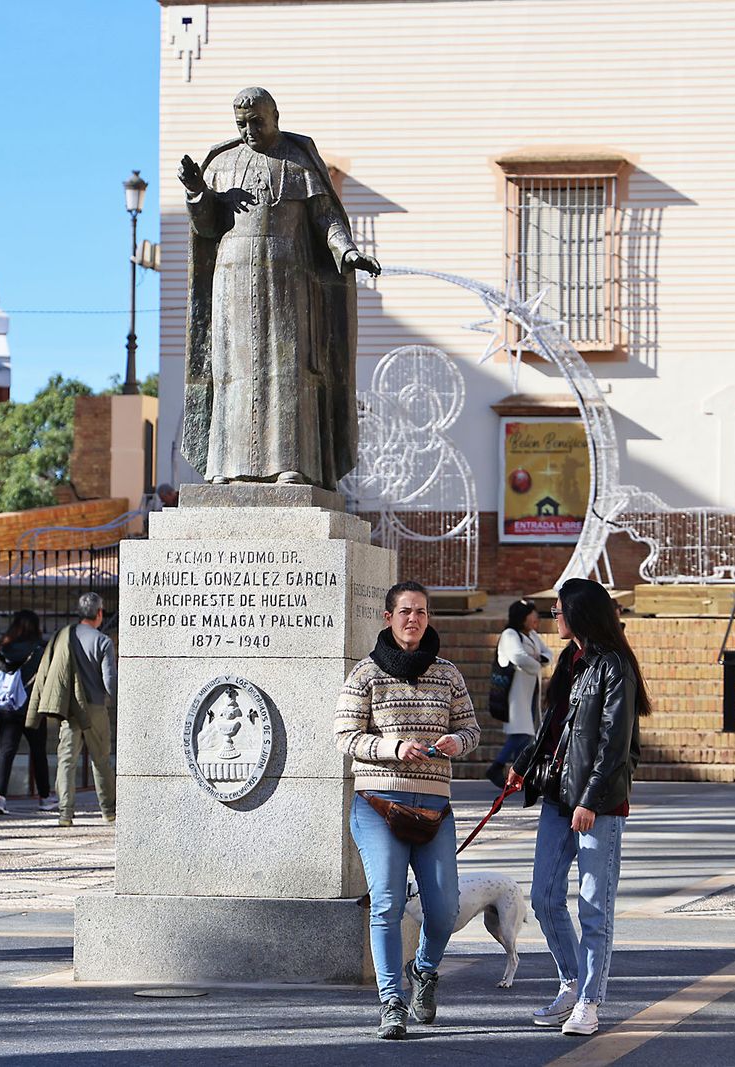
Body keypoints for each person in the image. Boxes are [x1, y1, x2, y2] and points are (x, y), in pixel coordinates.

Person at [178, 86, 381, 489]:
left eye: (257, 122)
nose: (249, 130)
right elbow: (206, 227)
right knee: (231, 372)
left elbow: (325, 217)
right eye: (242, 124)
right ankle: (226, 466)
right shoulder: (221, 162)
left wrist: (348, 251)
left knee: (288, 370)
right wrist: (197, 191)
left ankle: (292, 464)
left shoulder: (299, 161)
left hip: (289, 280)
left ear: (275, 117)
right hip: (231, 281)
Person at [335, 580, 480, 1040]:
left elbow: (471, 729)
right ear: (387, 617)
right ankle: (391, 1002)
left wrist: (458, 741)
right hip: (379, 805)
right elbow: (344, 737)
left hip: (434, 808)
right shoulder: (365, 674)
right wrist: (394, 747)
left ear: (428, 617)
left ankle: (424, 970)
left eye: (420, 611)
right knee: (388, 902)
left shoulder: (448, 674)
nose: (412, 619)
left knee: (443, 911)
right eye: (404, 611)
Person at [509, 578, 649, 1038]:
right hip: (557, 795)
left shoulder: (614, 667)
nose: (553, 613)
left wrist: (589, 799)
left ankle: (590, 1001)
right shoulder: (571, 660)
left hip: (598, 803)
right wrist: (524, 765)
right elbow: (554, 727)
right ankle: (572, 982)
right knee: (545, 896)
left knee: (593, 904)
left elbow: (614, 744)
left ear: (580, 612)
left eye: (559, 607)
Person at [41, 592, 117, 828]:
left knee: (66, 761)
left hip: (70, 708)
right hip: (94, 707)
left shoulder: (64, 635)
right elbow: (110, 682)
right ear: (100, 613)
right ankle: (109, 812)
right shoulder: (103, 641)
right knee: (101, 760)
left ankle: (65, 814)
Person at [0, 610, 50, 816]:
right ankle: (44, 798)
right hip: (31, 707)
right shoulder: (39, 649)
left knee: (6, 752)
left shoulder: (3, 648)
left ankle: (0, 798)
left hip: (6, 706)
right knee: (38, 752)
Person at [486, 598, 552, 787]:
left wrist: (537, 659)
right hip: (514, 693)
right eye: (532, 617)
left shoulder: (531, 635)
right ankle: (497, 767)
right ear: (521, 618)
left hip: (530, 691)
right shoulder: (510, 634)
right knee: (521, 733)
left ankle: (519, 776)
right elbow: (517, 656)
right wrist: (537, 663)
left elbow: (549, 654)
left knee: (527, 734)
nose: (535, 620)